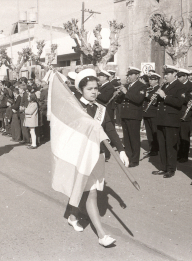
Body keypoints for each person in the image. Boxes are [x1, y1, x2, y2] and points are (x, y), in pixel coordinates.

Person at [60, 69, 129, 247]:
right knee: (90, 193)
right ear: (81, 90)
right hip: (80, 156)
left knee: (83, 188)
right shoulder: (74, 107)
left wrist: (121, 150)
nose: (94, 92)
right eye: (89, 88)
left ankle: (73, 215)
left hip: (97, 156)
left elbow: (110, 129)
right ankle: (102, 235)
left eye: (96, 88)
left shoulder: (101, 109)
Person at [151, 65, 185, 178]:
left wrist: (164, 96)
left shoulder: (180, 86)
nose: (165, 76)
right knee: (162, 144)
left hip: (171, 120)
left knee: (170, 145)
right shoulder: (165, 85)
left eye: (168, 73)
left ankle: (171, 169)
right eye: (165, 73)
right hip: (161, 119)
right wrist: (155, 98)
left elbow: (179, 102)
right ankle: (163, 167)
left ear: (175, 74)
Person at [115, 67, 146, 167]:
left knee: (134, 138)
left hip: (134, 115)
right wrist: (118, 94)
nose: (129, 76)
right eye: (128, 74)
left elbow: (138, 100)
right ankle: (128, 157)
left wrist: (126, 92)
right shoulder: (127, 85)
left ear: (137, 75)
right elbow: (120, 100)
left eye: (131, 74)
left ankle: (135, 160)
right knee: (126, 138)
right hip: (125, 114)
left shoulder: (141, 86)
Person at [176, 68, 192, 163]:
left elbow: (189, 100)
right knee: (178, 135)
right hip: (178, 112)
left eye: (180, 76)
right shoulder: (178, 85)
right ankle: (179, 154)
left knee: (184, 135)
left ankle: (184, 155)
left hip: (186, 113)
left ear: (185, 76)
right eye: (178, 76)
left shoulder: (191, 86)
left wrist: (182, 98)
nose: (178, 78)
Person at [142, 72, 161, 157]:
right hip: (146, 113)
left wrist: (147, 95)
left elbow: (155, 101)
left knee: (154, 132)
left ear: (157, 80)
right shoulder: (148, 88)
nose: (150, 81)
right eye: (149, 79)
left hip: (153, 113)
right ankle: (151, 149)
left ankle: (155, 149)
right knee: (149, 133)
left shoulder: (159, 89)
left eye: (152, 79)